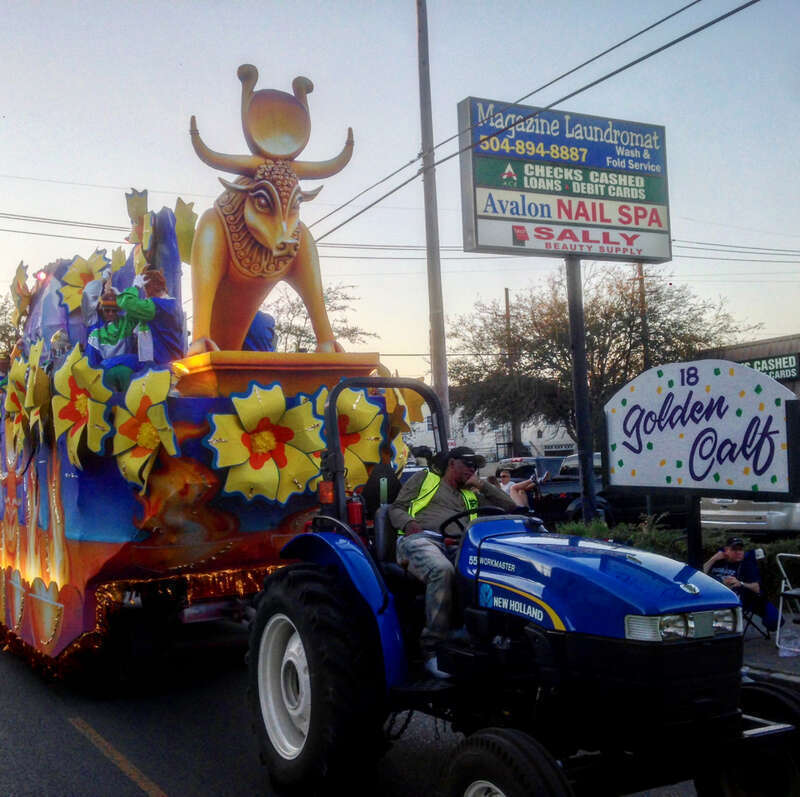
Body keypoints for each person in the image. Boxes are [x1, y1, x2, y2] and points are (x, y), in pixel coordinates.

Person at [389, 446, 518, 678]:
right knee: (442, 570)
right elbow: (397, 508)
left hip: (459, 544)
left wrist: (481, 484)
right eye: (468, 463)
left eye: (476, 466)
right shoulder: (425, 479)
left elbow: (510, 507)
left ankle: (481, 637)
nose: (472, 469)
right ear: (451, 463)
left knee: (491, 573)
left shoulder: (470, 494)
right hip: (421, 540)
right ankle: (431, 649)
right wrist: (409, 524)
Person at [704, 537, 778, 630]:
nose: (739, 552)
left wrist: (740, 583)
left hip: (733, 600)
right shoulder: (717, 562)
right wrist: (713, 559)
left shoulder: (747, 564)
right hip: (711, 595)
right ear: (726, 550)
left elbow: (757, 588)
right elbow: (698, 576)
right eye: (734, 549)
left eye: (740, 549)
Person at [116, 268, 185, 366]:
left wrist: (135, 286)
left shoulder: (157, 305)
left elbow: (127, 302)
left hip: (161, 365)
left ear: (149, 288)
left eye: (144, 289)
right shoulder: (172, 304)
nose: (144, 293)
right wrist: (119, 295)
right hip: (170, 363)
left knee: (115, 368)